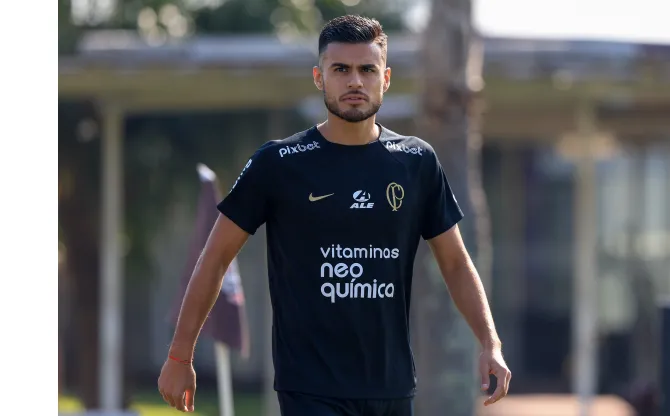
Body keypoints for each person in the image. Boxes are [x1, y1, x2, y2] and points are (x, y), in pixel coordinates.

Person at [157, 14, 511, 415]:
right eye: (340, 69)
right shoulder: (278, 163)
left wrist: (490, 343)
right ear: (319, 77)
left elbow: (455, 261)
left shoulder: (417, 162)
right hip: (310, 389)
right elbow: (216, 256)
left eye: (367, 69)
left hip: (392, 388)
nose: (355, 82)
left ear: (386, 77)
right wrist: (179, 356)